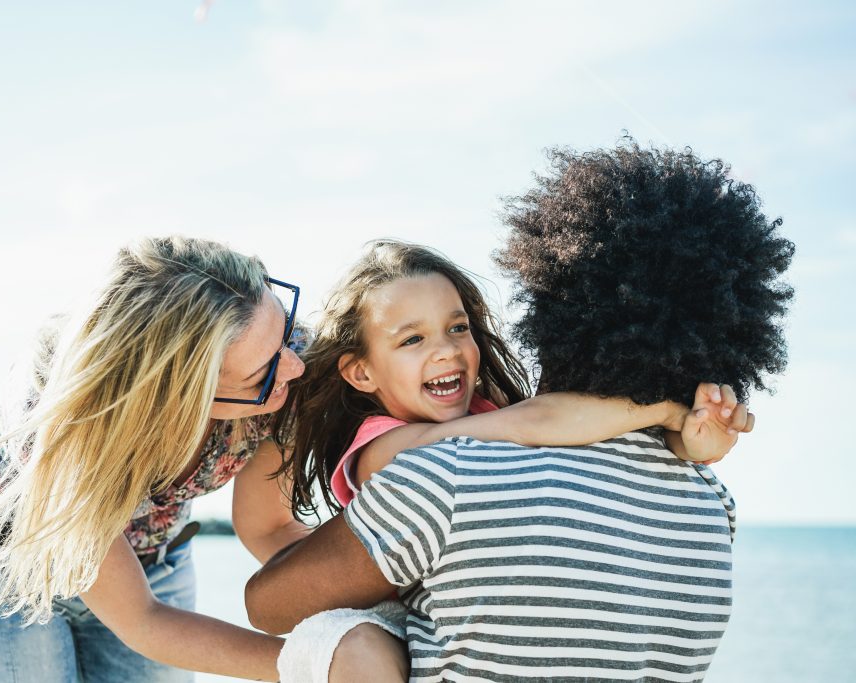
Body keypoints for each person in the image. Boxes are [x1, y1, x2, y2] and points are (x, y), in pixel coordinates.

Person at [246, 140, 794, 681]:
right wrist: (673, 420)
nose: (445, 349)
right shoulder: (711, 504)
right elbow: (543, 421)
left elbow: (266, 605)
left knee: (338, 640)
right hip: (382, 588)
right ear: (360, 372)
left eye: (458, 327)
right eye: (410, 339)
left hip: (393, 582)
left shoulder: (458, 466)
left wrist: (681, 431)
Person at [0, 236, 313, 682]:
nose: (294, 367)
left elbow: (271, 527)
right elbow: (141, 619)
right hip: (2, 571)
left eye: (285, 332)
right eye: (260, 376)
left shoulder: (280, 355)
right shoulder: (61, 423)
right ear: (178, 393)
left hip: (155, 564)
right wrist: (321, 663)